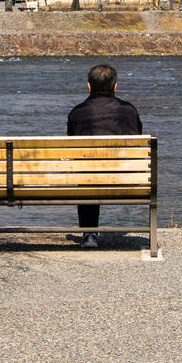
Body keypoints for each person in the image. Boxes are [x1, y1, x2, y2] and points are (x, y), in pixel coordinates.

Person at [67, 64, 142, 248]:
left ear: (89, 86)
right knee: (92, 171)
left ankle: (89, 233)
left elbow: (72, 147)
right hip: (127, 178)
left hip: (91, 180)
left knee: (87, 173)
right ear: (115, 87)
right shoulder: (129, 110)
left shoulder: (78, 113)